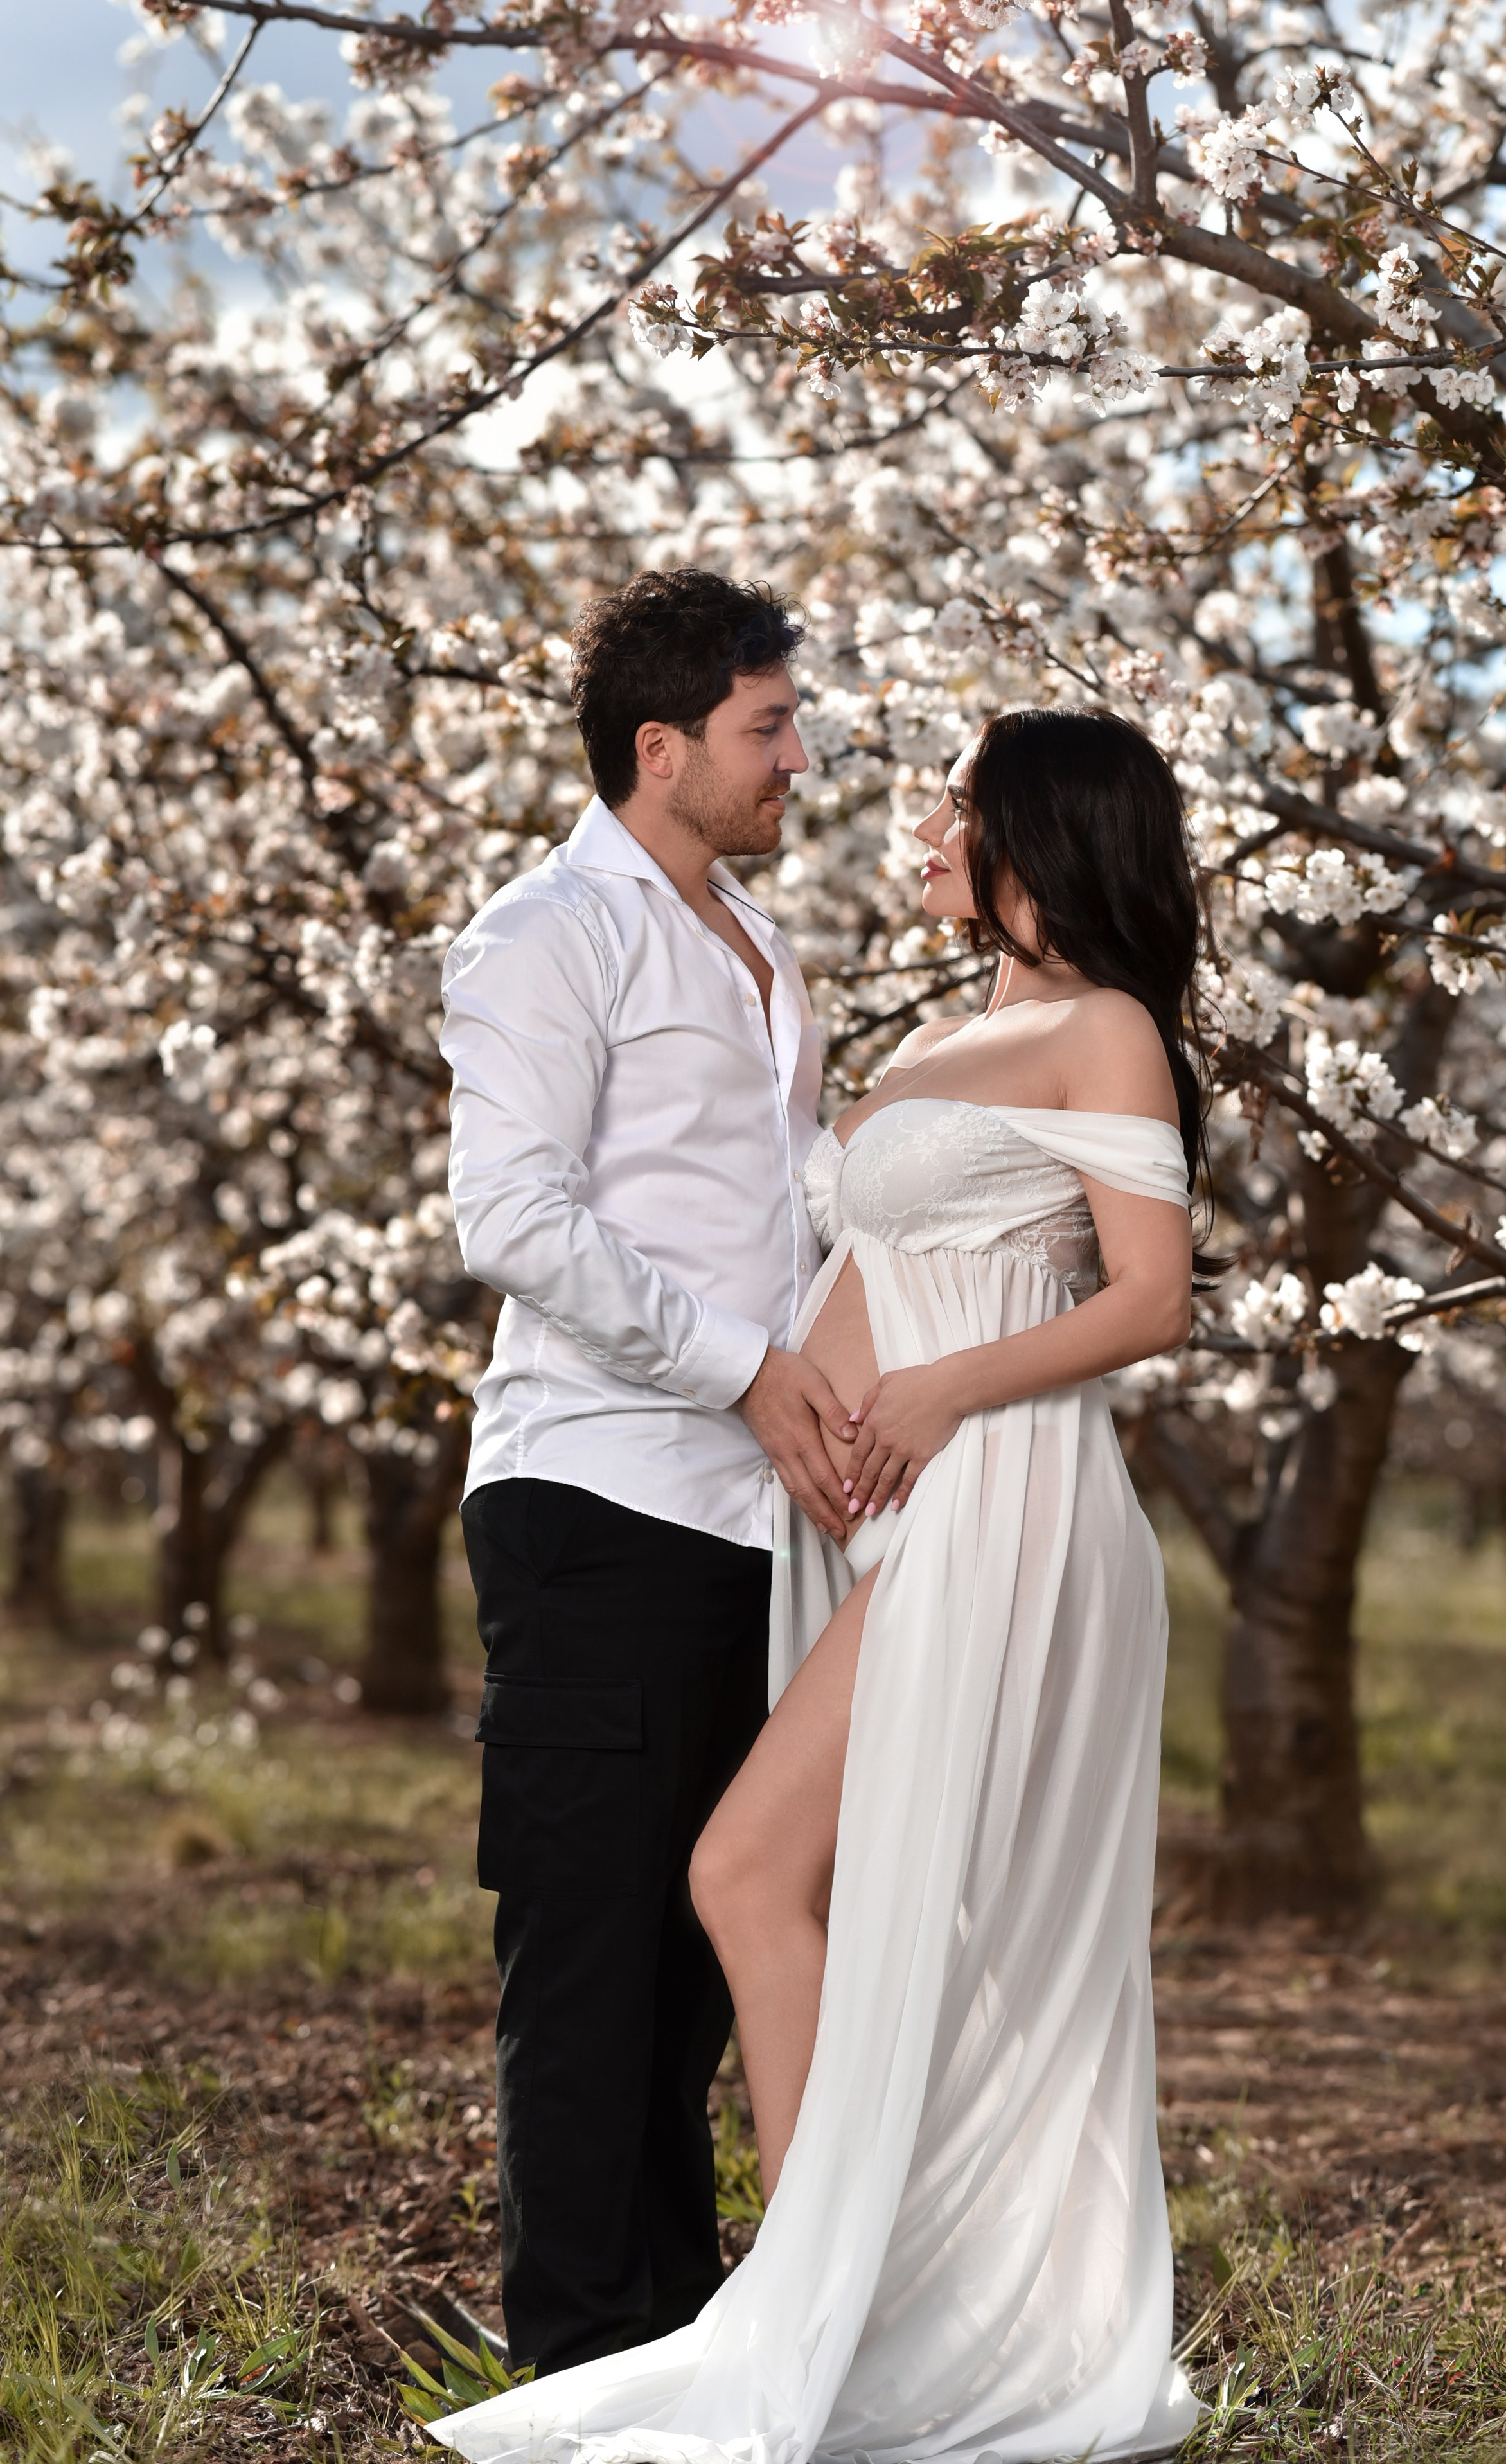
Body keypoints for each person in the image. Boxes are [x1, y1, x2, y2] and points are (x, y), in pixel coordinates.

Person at [434, 705, 1207, 2464]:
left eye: (958, 808)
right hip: (903, 1510)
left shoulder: (1107, 1030)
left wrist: (936, 1394)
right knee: (813, 1892)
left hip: (1015, 1499)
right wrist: (809, 1428)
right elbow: (869, 1265)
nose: (921, 828)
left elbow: (1151, 1297)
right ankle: (844, 2293)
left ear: (1042, 836)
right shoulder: (952, 1028)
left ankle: (821, 2305)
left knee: (749, 1868)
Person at [440, 567, 857, 2380]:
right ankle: (584, 2369)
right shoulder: (549, 931)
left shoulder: (759, 944)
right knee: (597, 1963)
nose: (799, 755)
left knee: (695, 1959)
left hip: (748, 1523)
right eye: (769, 726)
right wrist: (744, 1368)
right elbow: (510, 1215)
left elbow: (798, 1206)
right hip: (598, 1498)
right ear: (662, 745)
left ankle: (671, 2354)